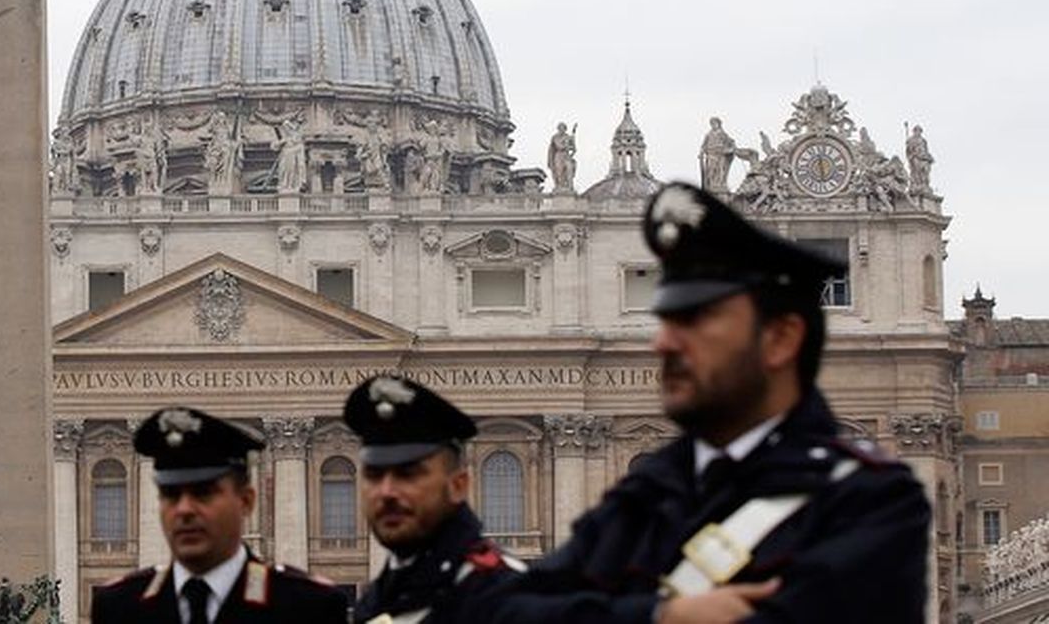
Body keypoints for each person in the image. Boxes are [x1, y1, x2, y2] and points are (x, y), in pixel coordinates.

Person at [488, 182, 930, 622]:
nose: (662, 342)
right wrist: (663, 616)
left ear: (779, 338)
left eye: (694, 319)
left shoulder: (869, 499)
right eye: (664, 320)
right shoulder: (649, 489)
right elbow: (501, 613)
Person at [91, 406, 347, 624]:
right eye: (170, 495)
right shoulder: (118, 608)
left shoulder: (308, 608)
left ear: (246, 501)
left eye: (203, 494)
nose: (184, 510)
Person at [345, 375, 524, 623]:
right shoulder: (376, 601)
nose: (386, 491)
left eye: (407, 474)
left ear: (458, 486)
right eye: (374, 476)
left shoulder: (508, 597)